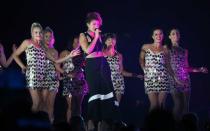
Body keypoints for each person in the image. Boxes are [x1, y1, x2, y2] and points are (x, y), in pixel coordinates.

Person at [79, 12, 119, 130]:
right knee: (95, 93)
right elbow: (87, 50)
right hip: (92, 65)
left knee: (106, 91)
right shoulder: (83, 35)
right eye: (93, 24)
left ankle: (104, 122)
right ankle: (91, 122)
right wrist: (96, 37)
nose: (96, 26)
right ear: (88, 24)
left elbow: (101, 51)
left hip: (102, 64)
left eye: (98, 24)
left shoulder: (100, 36)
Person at [167, 28, 208, 120]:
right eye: (173, 34)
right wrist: (176, 79)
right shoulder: (167, 49)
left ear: (180, 35)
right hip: (174, 80)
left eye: (177, 33)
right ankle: (172, 126)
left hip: (185, 79)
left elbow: (186, 67)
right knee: (178, 104)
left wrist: (199, 70)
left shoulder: (184, 51)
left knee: (186, 107)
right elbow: (167, 67)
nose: (176, 35)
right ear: (169, 37)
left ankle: (185, 127)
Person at [139, 28, 181, 111]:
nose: (158, 36)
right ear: (152, 36)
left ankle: (161, 123)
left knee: (161, 104)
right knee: (154, 104)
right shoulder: (146, 46)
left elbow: (168, 66)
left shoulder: (166, 49)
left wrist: (175, 78)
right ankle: (150, 123)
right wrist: (144, 69)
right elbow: (141, 59)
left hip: (163, 78)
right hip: (150, 78)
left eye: (160, 34)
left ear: (163, 36)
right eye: (156, 34)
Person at [13, 22, 45, 112]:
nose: (38, 34)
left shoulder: (41, 46)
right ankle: (30, 123)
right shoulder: (27, 42)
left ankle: (36, 122)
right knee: (36, 102)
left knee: (41, 102)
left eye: (39, 32)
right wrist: (23, 66)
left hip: (41, 75)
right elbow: (15, 55)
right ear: (32, 33)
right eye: (36, 32)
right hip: (32, 75)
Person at [103, 33, 143, 103]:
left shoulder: (119, 55)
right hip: (106, 82)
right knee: (107, 106)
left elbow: (122, 72)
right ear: (105, 42)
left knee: (116, 105)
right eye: (108, 39)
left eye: (113, 39)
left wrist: (136, 75)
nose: (111, 41)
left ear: (115, 41)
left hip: (118, 82)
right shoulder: (101, 53)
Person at [59, 36, 88, 123]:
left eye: (78, 42)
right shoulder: (65, 52)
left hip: (80, 82)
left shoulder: (82, 54)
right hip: (69, 81)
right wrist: (66, 74)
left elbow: (85, 67)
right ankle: (70, 126)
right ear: (71, 43)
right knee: (71, 106)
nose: (76, 44)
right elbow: (57, 65)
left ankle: (78, 126)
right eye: (74, 42)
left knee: (78, 107)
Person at [41, 27, 60, 123]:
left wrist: (59, 77)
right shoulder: (39, 49)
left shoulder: (55, 51)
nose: (48, 38)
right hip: (42, 78)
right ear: (42, 37)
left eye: (50, 36)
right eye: (46, 36)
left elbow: (57, 66)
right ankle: (42, 123)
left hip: (53, 79)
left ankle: (50, 123)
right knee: (43, 102)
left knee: (50, 104)